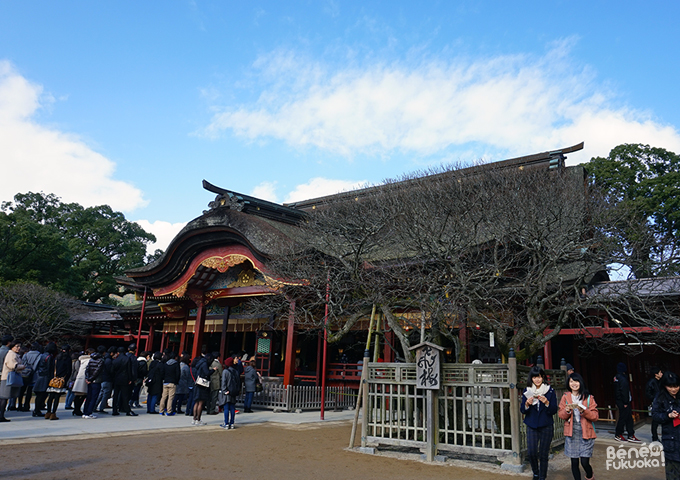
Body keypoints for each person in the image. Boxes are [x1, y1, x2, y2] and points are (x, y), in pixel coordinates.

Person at [558, 373, 598, 480]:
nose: (574, 384)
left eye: (576, 381)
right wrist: (566, 411)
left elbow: (595, 416)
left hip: (586, 432)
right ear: (568, 383)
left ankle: (590, 476)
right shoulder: (565, 397)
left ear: (580, 382)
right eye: (571, 381)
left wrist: (584, 411)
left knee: (585, 461)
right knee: (574, 461)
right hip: (572, 433)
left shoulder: (588, 398)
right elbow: (560, 414)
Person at [520, 365, 558, 480]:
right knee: (531, 452)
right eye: (534, 377)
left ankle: (542, 477)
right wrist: (527, 404)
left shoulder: (549, 391)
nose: (537, 379)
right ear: (531, 378)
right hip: (531, 424)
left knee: (543, 453)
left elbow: (553, 410)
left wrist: (546, 402)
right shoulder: (527, 391)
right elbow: (522, 410)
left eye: (539, 377)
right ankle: (535, 472)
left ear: (543, 378)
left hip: (546, 425)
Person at [653, 371, 680, 480]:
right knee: (673, 474)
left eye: (676, 386)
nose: (674, 389)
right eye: (670, 386)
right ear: (664, 385)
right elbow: (655, 415)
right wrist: (668, 415)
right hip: (671, 441)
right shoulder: (660, 398)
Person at [614, 362, 641, 442]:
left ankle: (630, 434)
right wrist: (625, 402)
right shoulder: (622, 378)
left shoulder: (616, 378)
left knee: (628, 418)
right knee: (623, 418)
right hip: (624, 402)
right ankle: (619, 434)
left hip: (619, 400)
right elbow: (624, 391)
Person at [45, 344, 73, 420]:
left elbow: (51, 368)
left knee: (50, 397)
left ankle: (48, 412)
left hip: (53, 379)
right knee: (57, 398)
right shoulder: (68, 359)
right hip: (61, 380)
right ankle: (53, 413)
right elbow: (69, 371)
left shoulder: (56, 358)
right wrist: (65, 380)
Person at [0, 341, 25, 422]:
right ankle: (1, 415)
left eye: (19, 346)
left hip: (8, 378)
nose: (18, 348)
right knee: (4, 397)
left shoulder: (13, 354)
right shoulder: (11, 354)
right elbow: (12, 365)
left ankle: (1, 415)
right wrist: (22, 366)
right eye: (16, 346)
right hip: (8, 378)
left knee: (4, 397)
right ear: (12, 347)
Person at [32, 342, 57, 417]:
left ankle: (36, 409)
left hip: (39, 376)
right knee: (43, 394)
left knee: (39, 395)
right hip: (45, 377)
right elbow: (49, 369)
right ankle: (37, 410)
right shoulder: (49, 357)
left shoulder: (41, 355)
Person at [18, 342, 42, 412]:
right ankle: (26, 405)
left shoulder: (26, 355)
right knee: (29, 391)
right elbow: (37, 365)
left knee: (22, 390)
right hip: (34, 374)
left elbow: (23, 363)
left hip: (25, 373)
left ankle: (19, 404)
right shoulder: (39, 355)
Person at [82, 346, 106, 418]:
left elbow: (87, 369)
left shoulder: (91, 359)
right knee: (93, 397)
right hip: (96, 380)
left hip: (89, 380)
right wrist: (91, 379)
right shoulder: (101, 360)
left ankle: (85, 411)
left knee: (89, 396)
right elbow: (97, 371)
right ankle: (89, 412)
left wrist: (87, 378)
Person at [191, 353, 213, 426]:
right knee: (200, 403)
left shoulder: (199, 363)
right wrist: (213, 370)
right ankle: (198, 419)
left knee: (196, 402)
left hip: (197, 383)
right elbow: (207, 373)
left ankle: (194, 419)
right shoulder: (205, 364)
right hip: (202, 385)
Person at [220, 356, 240, 429]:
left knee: (226, 408)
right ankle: (232, 423)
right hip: (233, 391)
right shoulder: (236, 371)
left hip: (227, 391)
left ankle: (226, 423)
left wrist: (224, 390)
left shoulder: (225, 371)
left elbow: (223, 382)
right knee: (232, 408)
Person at [71, 348, 93, 416]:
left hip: (79, 377)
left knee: (78, 395)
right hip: (85, 378)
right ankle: (77, 409)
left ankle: (76, 409)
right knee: (83, 395)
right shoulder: (90, 360)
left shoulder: (80, 360)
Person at [159, 350, 180, 416]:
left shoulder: (166, 364)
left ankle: (161, 411)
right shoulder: (176, 364)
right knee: (170, 398)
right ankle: (169, 411)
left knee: (163, 397)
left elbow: (162, 373)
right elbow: (178, 374)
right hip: (172, 382)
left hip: (165, 382)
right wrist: (176, 381)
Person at [95, 346, 115, 414]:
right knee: (105, 394)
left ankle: (94, 407)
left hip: (102, 378)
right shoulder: (109, 360)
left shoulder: (103, 359)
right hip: (107, 379)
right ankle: (101, 408)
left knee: (101, 394)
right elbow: (110, 370)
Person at [646, 366, 664, 442]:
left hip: (662, 402)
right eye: (660, 372)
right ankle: (655, 437)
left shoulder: (661, 381)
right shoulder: (651, 382)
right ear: (656, 374)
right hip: (656, 402)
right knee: (655, 421)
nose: (662, 374)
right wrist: (655, 399)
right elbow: (648, 393)